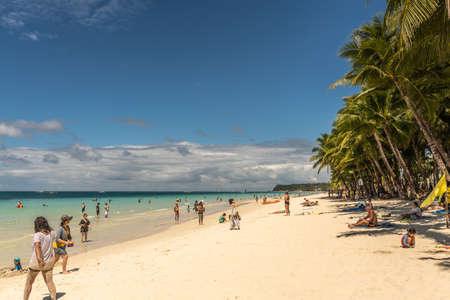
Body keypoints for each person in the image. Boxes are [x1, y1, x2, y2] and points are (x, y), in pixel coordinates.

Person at [24, 216, 57, 300]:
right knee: (50, 282)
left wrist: (39, 258)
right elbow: (52, 244)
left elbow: (37, 246)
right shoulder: (52, 233)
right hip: (49, 261)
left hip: (37, 262)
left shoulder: (37, 235)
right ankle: (54, 298)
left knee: (29, 283)